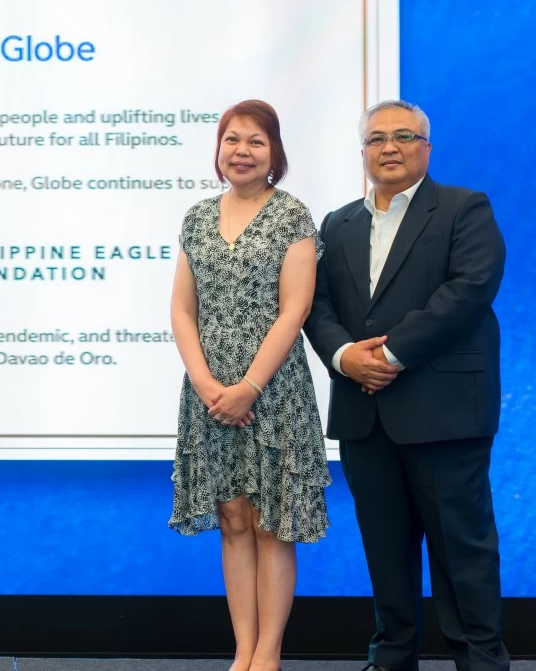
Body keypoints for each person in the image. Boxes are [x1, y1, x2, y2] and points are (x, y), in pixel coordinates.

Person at [304, 100, 508, 671]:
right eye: (375, 139)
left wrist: (391, 353)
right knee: (385, 552)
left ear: (427, 146)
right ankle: (391, 658)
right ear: (363, 152)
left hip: (443, 412)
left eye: (403, 136)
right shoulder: (338, 222)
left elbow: (470, 289)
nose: (388, 147)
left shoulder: (464, 208)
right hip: (364, 415)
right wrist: (346, 357)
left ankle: (482, 662)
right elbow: (317, 306)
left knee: (461, 550)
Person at [169, 99, 330, 671]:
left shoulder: (291, 217)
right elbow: (183, 311)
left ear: (274, 154)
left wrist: (249, 388)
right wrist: (209, 383)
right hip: (209, 398)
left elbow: (296, 309)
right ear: (218, 150)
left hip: (274, 394)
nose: (241, 151)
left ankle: (269, 653)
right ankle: (242, 650)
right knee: (233, 519)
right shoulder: (195, 218)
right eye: (231, 139)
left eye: (255, 142)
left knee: (269, 523)